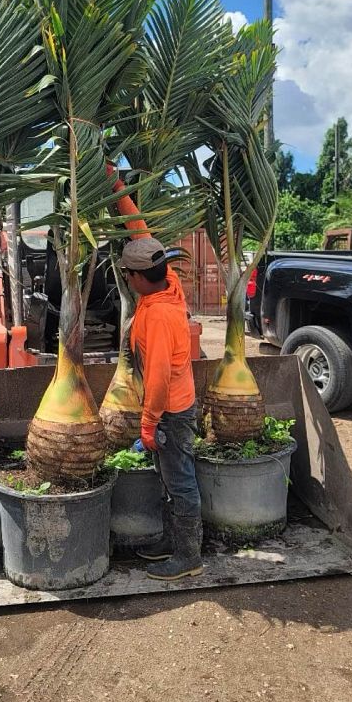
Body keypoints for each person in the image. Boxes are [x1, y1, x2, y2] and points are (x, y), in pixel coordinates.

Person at [119, 235, 203, 580]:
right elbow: (144, 234)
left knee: (181, 484)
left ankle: (188, 557)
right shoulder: (168, 286)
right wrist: (117, 189)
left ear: (138, 277)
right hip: (174, 407)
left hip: (170, 411)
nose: (126, 279)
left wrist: (148, 424)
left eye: (127, 274)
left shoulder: (157, 315)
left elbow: (157, 379)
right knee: (170, 480)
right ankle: (172, 542)